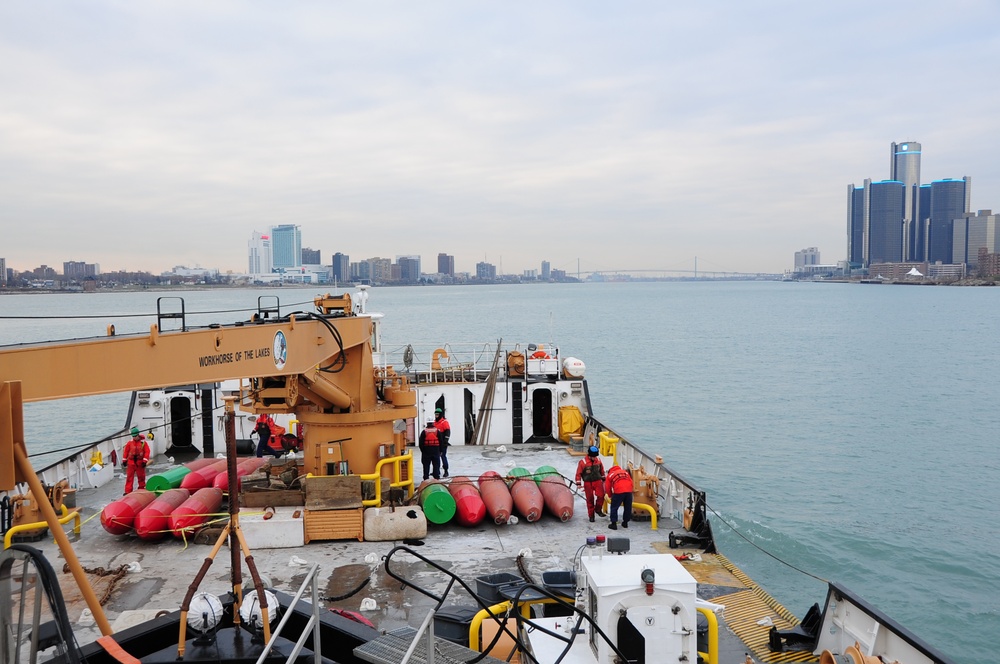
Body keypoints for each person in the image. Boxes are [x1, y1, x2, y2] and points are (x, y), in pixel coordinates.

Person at [575, 446, 606, 522]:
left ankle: (598, 509)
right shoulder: (583, 462)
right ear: (589, 455)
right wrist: (578, 483)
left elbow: (601, 470)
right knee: (590, 499)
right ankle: (591, 516)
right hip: (588, 483)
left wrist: (603, 478)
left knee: (601, 496)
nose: (594, 458)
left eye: (595, 456)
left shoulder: (598, 460)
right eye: (593, 456)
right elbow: (578, 473)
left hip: (598, 481)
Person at [122, 426, 150, 494]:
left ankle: (141, 489)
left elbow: (147, 452)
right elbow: (126, 452)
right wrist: (124, 460)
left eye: (135, 436)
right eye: (133, 436)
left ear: (138, 435)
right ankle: (128, 491)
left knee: (141, 477)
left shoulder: (143, 443)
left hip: (140, 463)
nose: (134, 437)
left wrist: (144, 461)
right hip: (131, 463)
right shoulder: (129, 443)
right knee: (129, 478)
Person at [605, 464, 634, 530]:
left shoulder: (610, 475)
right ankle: (625, 523)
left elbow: (607, 487)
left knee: (614, 507)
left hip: (619, 491)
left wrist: (610, 495)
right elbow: (631, 482)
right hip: (629, 490)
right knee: (628, 507)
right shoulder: (625, 472)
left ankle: (614, 524)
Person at [434, 408, 451, 478]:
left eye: (437, 415)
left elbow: (448, 432)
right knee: (436, 457)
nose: (436, 416)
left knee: (443, 456)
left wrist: (446, 441)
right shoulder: (434, 423)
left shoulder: (444, 423)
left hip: (443, 444)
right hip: (436, 444)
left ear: (440, 415)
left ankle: (446, 470)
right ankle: (436, 471)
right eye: (435, 414)